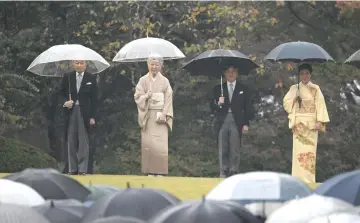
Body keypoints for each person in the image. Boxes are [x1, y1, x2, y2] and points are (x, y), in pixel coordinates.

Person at [283, 63, 329, 183]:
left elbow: (320, 105)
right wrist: (294, 97)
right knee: (298, 153)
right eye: (302, 73)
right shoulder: (294, 88)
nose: (304, 76)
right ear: (299, 75)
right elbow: (286, 104)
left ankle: (308, 180)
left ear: (310, 74)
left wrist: (320, 121)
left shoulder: (315, 89)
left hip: (311, 125)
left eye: (307, 73)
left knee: (309, 153)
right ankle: (297, 180)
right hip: (299, 125)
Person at [211, 65, 254, 178]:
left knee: (235, 148)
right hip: (222, 121)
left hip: (237, 121)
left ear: (237, 73)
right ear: (225, 74)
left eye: (233, 72)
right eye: (228, 72)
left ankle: (233, 172)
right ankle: (223, 172)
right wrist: (219, 103)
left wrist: (246, 124)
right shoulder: (218, 88)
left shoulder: (243, 89)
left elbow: (248, 107)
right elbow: (212, 107)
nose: (231, 74)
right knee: (222, 147)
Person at [134, 55, 173, 176]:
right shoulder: (143, 80)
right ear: (148, 65)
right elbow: (137, 96)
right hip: (148, 114)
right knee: (148, 143)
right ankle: (150, 170)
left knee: (160, 144)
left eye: (157, 65)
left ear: (161, 66)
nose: (154, 67)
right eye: (152, 64)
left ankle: (160, 171)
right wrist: (146, 96)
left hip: (160, 115)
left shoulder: (165, 81)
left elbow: (168, 98)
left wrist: (165, 113)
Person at [60, 60, 97, 175]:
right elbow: (60, 94)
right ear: (73, 64)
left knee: (83, 142)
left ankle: (82, 170)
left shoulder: (91, 78)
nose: (79, 65)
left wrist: (93, 116)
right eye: (77, 63)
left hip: (85, 113)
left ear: (85, 64)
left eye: (82, 63)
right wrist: (65, 102)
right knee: (71, 140)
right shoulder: (68, 77)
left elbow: (95, 99)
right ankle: (72, 169)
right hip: (71, 112)